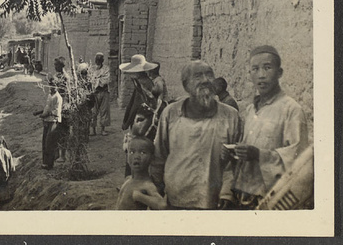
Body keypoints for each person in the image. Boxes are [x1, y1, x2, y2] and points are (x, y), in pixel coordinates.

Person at [150, 60, 240, 210]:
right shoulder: (171, 114)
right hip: (176, 201)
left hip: (215, 202)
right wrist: (157, 190)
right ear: (186, 85)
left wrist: (227, 193)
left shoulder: (231, 116)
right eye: (198, 76)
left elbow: (236, 162)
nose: (205, 80)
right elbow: (159, 156)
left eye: (209, 75)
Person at [230, 45, 308, 209]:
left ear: (279, 73)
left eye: (267, 68)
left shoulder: (291, 110)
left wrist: (259, 155)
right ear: (250, 74)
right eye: (255, 69)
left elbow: (299, 163)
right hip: (241, 197)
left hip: (270, 201)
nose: (261, 75)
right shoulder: (251, 110)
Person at [116, 136, 167, 210]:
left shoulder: (147, 185)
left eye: (142, 153)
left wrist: (140, 197)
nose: (136, 157)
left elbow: (162, 205)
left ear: (152, 158)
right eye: (132, 152)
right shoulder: (128, 179)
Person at [33, 77, 63, 169]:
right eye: (50, 85)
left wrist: (44, 115)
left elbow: (54, 112)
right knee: (45, 142)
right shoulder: (50, 95)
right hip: (47, 121)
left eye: (53, 85)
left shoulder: (58, 97)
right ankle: (45, 162)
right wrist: (39, 112)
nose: (51, 87)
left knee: (50, 143)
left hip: (53, 121)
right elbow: (47, 107)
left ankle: (49, 164)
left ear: (57, 86)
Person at [90, 52, 111, 136]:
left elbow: (106, 80)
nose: (98, 61)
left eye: (100, 59)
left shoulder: (106, 69)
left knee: (104, 110)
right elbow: (90, 79)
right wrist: (97, 79)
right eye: (97, 59)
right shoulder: (92, 69)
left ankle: (103, 129)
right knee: (93, 111)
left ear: (102, 60)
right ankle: (93, 129)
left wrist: (96, 80)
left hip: (104, 92)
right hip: (94, 93)